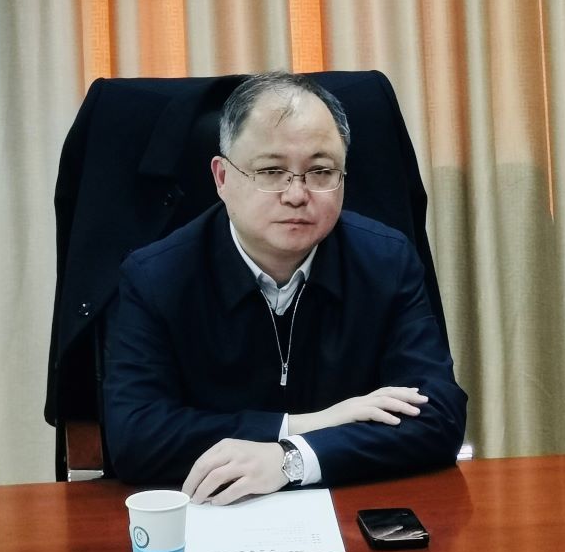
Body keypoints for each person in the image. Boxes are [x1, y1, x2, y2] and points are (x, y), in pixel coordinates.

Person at [103, 71, 468, 503]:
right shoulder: (155, 276)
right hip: (212, 513)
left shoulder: (386, 261)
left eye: (321, 171)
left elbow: (437, 417)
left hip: (349, 514)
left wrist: (292, 459)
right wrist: (306, 424)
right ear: (222, 177)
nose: (297, 194)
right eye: (272, 171)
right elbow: (136, 437)